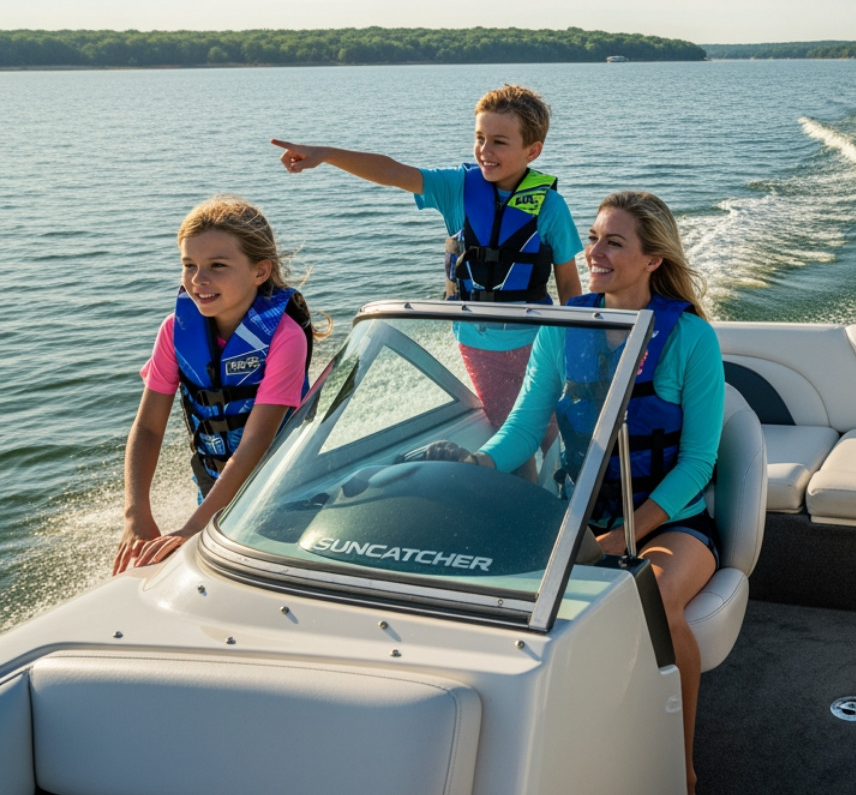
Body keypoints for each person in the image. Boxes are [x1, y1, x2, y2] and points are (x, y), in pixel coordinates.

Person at [431, 191, 722, 795]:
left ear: (652, 260)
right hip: (579, 514)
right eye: (592, 238)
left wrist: (625, 536)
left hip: (672, 523)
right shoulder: (566, 329)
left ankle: (681, 763)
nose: (593, 252)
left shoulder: (693, 340)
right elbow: (523, 428)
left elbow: (697, 465)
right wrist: (479, 462)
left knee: (656, 602)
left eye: (613, 242)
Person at [271, 83, 582, 426]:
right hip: (476, 342)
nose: (484, 150)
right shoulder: (457, 188)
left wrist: (576, 346)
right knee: (503, 425)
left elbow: (569, 283)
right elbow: (393, 172)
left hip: (537, 341)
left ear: (532, 151)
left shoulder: (551, 207)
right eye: (480, 137)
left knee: (547, 429)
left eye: (499, 142)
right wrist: (326, 154)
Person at [113, 196, 324, 574]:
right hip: (213, 490)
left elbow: (256, 445)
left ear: (260, 271)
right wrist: (136, 514)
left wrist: (194, 527)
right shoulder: (174, 332)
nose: (199, 280)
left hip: (283, 492)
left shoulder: (285, 337)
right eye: (188, 265)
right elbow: (146, 428)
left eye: (217, 266)